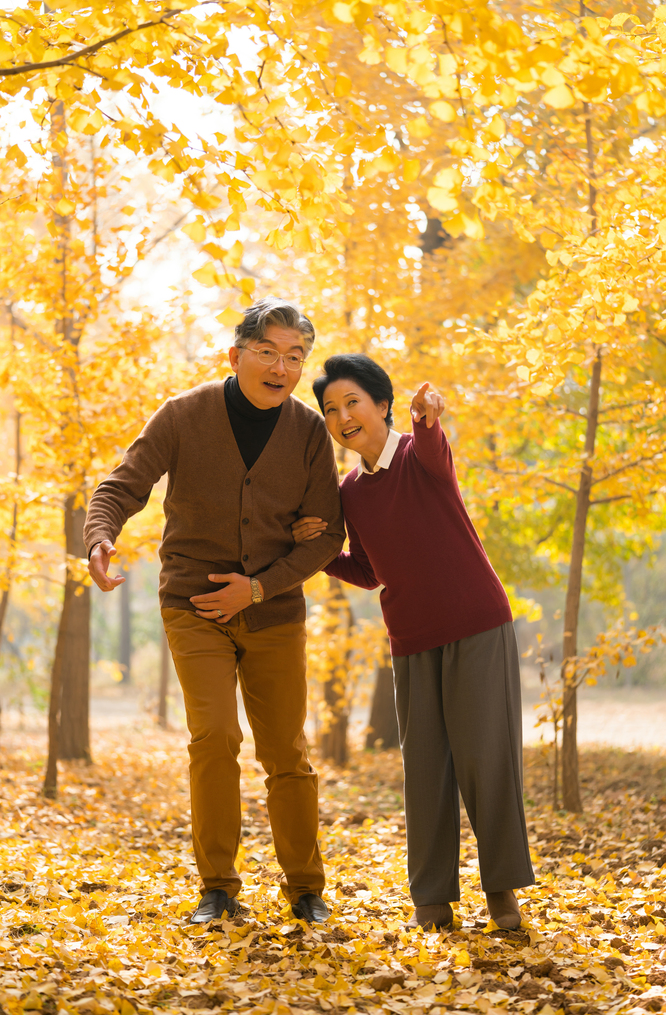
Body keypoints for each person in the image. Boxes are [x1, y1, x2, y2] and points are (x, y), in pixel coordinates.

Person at [84, 299, 345, 925]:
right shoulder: (183, 415)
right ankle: (218, 887)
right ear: (236, 356)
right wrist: (99, 536)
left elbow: (326, 535)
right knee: (216, 737)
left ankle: (305, 888)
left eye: (294, 357)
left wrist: (256, 590)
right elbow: (122, 485)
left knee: (285, 749)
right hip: (193, 607)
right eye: (268, 352)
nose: (281, 367)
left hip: (275, 611)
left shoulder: (309, 431)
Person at [293, 353, 535, 931]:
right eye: (330, 409)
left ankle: (502, 892)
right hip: (409, 639)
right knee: (426, 768)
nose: (343, 416)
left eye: (353, 402)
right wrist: (324, 551)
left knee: (485, 759)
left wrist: (428, 417)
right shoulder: (349, 492)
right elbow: (370, 570)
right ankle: (432, 898)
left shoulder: (418, 454)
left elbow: (433, 445)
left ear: (382, 405)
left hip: (476, 623)